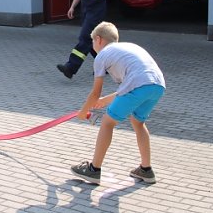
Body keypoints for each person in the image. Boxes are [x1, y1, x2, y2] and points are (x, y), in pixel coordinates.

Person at [71, 21, 166, 185]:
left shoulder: (102, 55)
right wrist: (103, 101)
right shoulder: (128, 48)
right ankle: (146, 169)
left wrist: (82, 111)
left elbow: (95, 92)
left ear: (99, 39)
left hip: (139, 85)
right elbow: (132, 87)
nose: (92, 45)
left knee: (107, 123)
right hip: (157, 85)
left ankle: (94, 170)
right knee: (138, 121)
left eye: (93, 41)